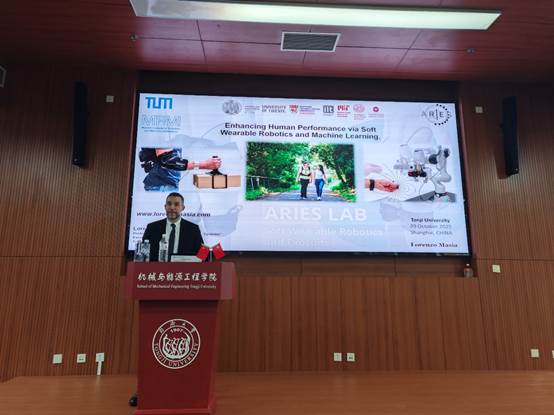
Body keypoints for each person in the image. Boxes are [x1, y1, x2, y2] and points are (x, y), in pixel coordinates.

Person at [142, 192, 204, 261]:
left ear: (183, 208)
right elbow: (143, 254)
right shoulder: (152, 228)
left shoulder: (193, 229)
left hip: (183, 267)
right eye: (169, 204)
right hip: (156, 267)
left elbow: (202, 255)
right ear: (165, 207)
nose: (172, 207)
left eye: (176, 204)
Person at [140, 148, 221, 191]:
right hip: (160, 185)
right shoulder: (163, 131)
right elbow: (167, 161)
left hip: (167, 183)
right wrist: (204, 165)